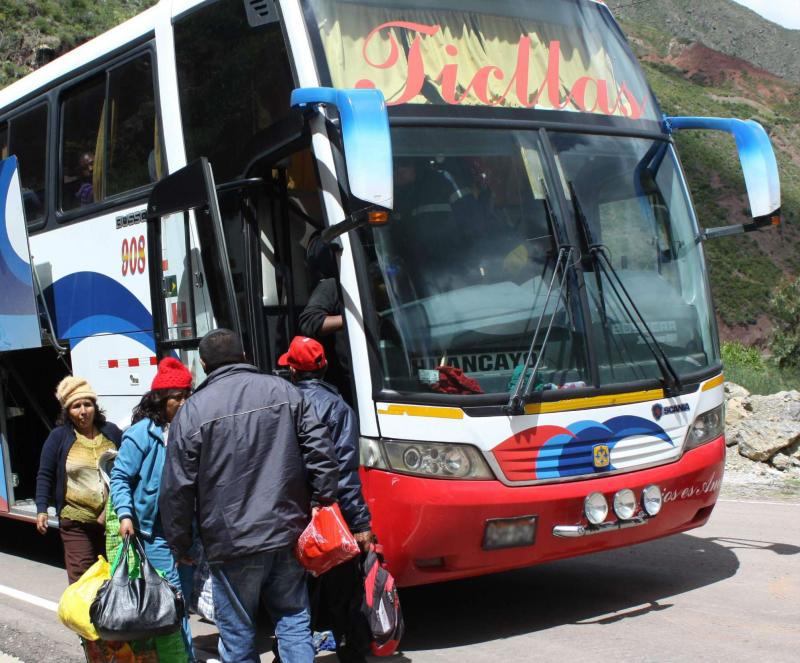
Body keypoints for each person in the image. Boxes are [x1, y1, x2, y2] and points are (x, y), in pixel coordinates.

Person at [159, 329, 339, 663]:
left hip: (230, 541)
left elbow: (176, 487)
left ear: (202, 364)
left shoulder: (193, 410)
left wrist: (179, 543)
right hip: (288, 531)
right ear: (244, 356)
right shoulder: (285, 391)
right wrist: (322, 501)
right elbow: (321, 451)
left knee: (239, 633)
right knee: (294, 620)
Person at [279, 336, 374, 663]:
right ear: (325, 367)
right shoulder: (338, 408)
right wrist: (360, 522)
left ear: (292, 370)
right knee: (343, 594)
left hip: (289, 517)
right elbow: (345, 472)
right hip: (329, 518)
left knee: (293, 597)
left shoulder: (282, 405)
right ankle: (353, 652)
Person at [109, 357, 195, 660]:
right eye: (178, 397)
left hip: (185, 531)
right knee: (173, 602)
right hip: (154, 534)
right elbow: (120, 477)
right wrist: (125, 514)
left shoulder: (190, 428)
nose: (185, 402)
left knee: (183, 601)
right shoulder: (141, 434)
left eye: (188, 394)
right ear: (161, 399)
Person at [35, 377, 122, 583]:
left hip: (111, 519)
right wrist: (41, 509)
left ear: (94, 406)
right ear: (68, 411)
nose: (83, 411)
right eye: (76, 406)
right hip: (75, 520)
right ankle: (85, 616)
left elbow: (126, 471)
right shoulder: (59, 437)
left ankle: (110, 616)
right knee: (83, 579)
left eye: (87, 404)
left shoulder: (112, 432)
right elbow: (45, 474)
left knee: (114, 575)